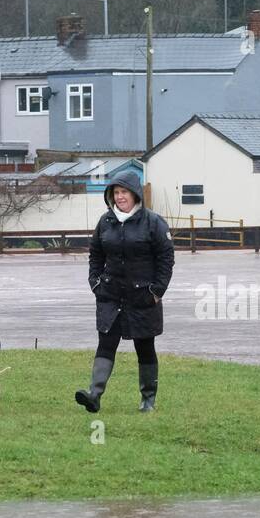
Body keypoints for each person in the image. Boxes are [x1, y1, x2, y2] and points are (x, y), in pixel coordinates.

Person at [76, 171, 174, 413]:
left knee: (145, 347)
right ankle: (94, 395)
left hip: (142, 297)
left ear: (135, 194)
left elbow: (166, 258)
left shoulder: (154, 222)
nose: (119, 197)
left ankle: (147, 400)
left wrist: (157, 291)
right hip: (110, 295)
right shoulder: (105, 222)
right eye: (116, 193)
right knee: (106, 343)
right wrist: (95, 283)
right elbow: (95, 255)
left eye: (124, 192)